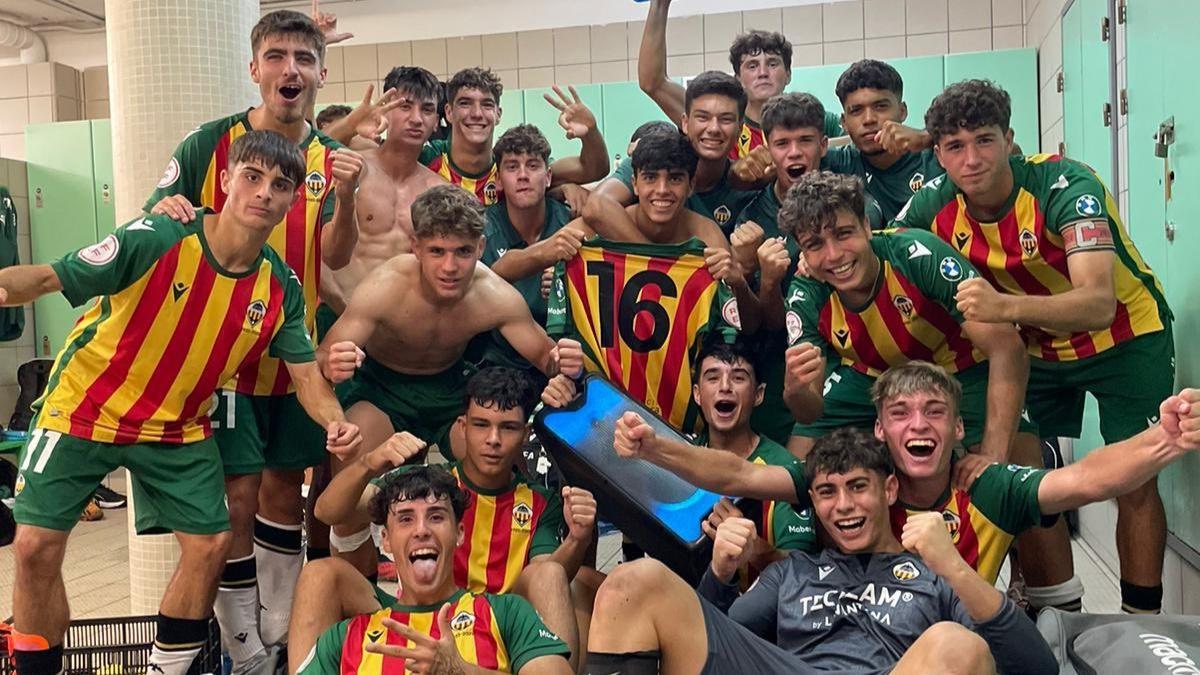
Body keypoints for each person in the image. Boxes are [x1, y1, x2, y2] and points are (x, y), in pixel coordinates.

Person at [7, 131, 362, 675]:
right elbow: (49, 277)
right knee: (33, 546)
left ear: (294, 200)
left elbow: (307, 375)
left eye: (280, 185)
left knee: (211, 546)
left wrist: (335, 423)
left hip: (178, 425)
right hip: (84, 407)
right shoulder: (160, 236)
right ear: (224, 181)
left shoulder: (279, 286)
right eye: (252, 177)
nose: (264, 193)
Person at [893, 79, 1176, 615]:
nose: (971, 159)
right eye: (955, 146)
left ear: (1010, 139)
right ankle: (1057, 611)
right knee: (1019, 468)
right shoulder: (931, 204)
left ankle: (1143, 620)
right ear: (938, 155)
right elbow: (885, 253)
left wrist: (1003, 307)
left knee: (1135, 481)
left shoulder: (1067, 184)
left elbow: (1097, 302)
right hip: (1039, 352)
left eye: (985, 140)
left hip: (1125, 339)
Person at [607, 353, 1200, 603]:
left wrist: (1162, 439)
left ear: (958, 431)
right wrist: (655, 448)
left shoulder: (985, 488)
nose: (918, 425)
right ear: (881, 432)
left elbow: (1088, 479)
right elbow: (739, 469)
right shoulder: (853, 478)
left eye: (935, 412)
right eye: (901, 414)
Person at [143, 11, 366, 666]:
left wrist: (348, 198)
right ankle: (244, 645)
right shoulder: (208, 145)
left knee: (283, 490)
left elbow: (337, 252)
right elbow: (154, 216)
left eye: (303, 57)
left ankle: (276, 631)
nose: (289, 69)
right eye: (276, 55)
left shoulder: (328, 158)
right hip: (223, 358)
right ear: (254, 68)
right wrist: (163, 209)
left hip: (296, 352)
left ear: (322, 73)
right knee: (236, 500)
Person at [585, 426, 1057, 675]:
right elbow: (713, 644)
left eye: (858, 487)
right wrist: (721, 574)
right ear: (813, 502)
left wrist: (955, 565)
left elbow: (1037, 668)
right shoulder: (794, 573)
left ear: (890, 489)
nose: (844, 505)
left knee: (956, 643)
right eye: (828, 492)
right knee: (634, 582)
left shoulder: (936, 577)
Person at [315, 184, 583, 573]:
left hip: (450, 390)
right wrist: (333, 362)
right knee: (352, 472)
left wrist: (568, 364)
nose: (450, 267)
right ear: (415, 247)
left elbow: (548, 358)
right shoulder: (386, 286)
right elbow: (324, 354)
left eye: (462, 252)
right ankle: (358, 597)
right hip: (381, 388)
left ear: (480, 246)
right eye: (437, 251)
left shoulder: (493, 294)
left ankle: (497, 580)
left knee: (496, 462)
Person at [294, 367, 597, 672]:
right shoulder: (425, 486)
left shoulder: (540, 501)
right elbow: (327, 512)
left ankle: (546, 660)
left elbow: (549, 575)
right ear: (462, 427)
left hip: (499, 620)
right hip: (412, 607)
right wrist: (370, 462)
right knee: (320, 574)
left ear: (525, 434)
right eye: (481, 425)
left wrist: (577, 540)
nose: (493, 439)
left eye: (507, 428)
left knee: (550, 574)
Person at [295, 465, 574, 675]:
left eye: (436, 517)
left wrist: (460, 669)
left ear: (459, 534)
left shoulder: (506, 613)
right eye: (405, 519)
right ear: (387, 541)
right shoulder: (346, 637)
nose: (421, 531)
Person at [636, 0, 841, 161]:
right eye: (752, 66)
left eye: (772, 63)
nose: (762, 72)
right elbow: (652, 83)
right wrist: (659, 4)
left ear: (788, 73)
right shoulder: (718, 119)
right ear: (738, 78)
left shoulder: (818, 119)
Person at [480, 124, 588, 374]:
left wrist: (569, 285)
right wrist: (543, 253)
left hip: (568, 360)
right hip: (501, 363)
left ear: (548, 176)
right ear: (498, 179)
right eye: (512, 166)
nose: (522, 175)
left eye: (533, 165)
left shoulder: (572, 220)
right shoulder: (482, 230)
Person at [595, 71, 758, 231]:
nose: (714, 128)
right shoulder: (650, 161)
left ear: (740, 129)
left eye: (726, 119)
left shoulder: (749, 185)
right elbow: (597, 205)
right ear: (685, 123)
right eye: (703, 117)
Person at [419, 68, 609, 205]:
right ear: (449, 112)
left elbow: (592, 169)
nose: (476, 113)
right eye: (465, 103)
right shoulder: (427, 159)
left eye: (486, 104)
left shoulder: (512, 165)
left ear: (498, 114)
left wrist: (590, 133)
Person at [821, 59, 945, 221]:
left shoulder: (937, 157)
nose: (869, 119)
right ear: (844, 122)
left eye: (880, 106)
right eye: (856, 110)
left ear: (902, 111)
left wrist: (928, 138)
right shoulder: (838, 164)